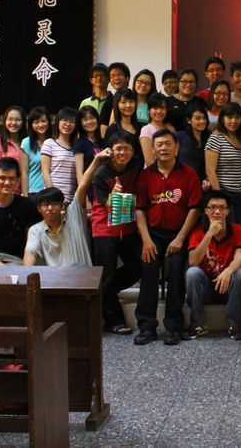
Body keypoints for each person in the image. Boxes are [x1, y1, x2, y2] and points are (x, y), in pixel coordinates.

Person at [133, 130, 203, 345]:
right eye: (159, 145)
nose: (163, 148)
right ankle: (146, 327)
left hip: (178, 233)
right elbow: (140, 209)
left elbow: (195, 208)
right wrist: (146, 240)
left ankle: (174, 327)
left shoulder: (189, 173)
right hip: (152, 234)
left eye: (167, 144)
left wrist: (180, 238)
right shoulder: (145, 176)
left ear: (176, 148)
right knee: (148, 271)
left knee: (176, 274)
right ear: (153, 150)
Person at [90, 134, 144, 335]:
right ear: (111, 150)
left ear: (133, 150)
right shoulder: (101, 173)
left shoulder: (136, 164)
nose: (123, 152)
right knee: (106, 274)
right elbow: (106, 203)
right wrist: (114, 195)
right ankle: (114, 322)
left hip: (127, 225)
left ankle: (107, 291)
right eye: (118, 148)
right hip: (105, 227)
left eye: (126, 148)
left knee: (137, 267)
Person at [184, 190, 241, 341]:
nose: (217, 212)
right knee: (192, 273)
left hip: (228, 288)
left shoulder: (239, 230)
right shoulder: (197, 232)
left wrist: (228, 271)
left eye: (221, 208)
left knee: (239, 273)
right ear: (206, 211)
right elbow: (193, 261)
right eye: (212, 207)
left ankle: (235, 325)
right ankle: (196, 324)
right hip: (206, 289)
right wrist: (209, 234)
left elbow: (239, 257)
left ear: (227, 211)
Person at [23, 172, 95, 268]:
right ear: (39, 208)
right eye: (45, 204)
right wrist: (27, 271)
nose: (50, 208)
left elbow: (83, 185)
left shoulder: (74, 215)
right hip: (53, 277)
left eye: (54, 203)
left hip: (83, 276)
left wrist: (96, 163)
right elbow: (30, 252)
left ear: (62, 205)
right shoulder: (35, 230)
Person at [205, 101, 241, 227]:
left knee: (239, 229)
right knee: (225, 230)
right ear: (222, 118)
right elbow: (210, 170)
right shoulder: (216, 138)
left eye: (237, 117)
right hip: (223, 192)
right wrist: (219, 197)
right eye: (229, 117)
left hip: (240, 194)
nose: (233, 121)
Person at [42, 106, 79, 199]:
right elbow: (45, 171)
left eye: (72, 121)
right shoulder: (49, 143)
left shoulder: (78, 147)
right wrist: (53, 196)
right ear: (58, 121)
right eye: (65, 120)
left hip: (72, 199)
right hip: (53, 199)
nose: (68, 124)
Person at [177, 102, 210, 184]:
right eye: (198, 118)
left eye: (204, 118)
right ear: (189, 120)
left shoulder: (210, 139)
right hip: (181, 181)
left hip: (202, 184)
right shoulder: (179, 136)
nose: (202, 121)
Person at [19, 106, 50, 195]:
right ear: (31, 124)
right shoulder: (26, 143)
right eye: (36, 122)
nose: (40, 125)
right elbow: (24, 173)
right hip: (33, 192)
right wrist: (25, 196)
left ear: (49, 122)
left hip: (51, 192)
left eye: (43, 121)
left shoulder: (53, 142)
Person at [138, 93, 174, 166]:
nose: (159, 111)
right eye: (155, 108)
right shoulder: (146, 130)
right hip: (152, 171)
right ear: (148, 110)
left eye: (162, 108)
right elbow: (149, 161)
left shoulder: (171, 129)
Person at [102, 88, 141, 154]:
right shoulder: (113, 129)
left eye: (131, 101)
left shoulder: (140, 127)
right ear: (117, 104)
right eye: (123, 102)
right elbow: (107, 153)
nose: (128, 105)